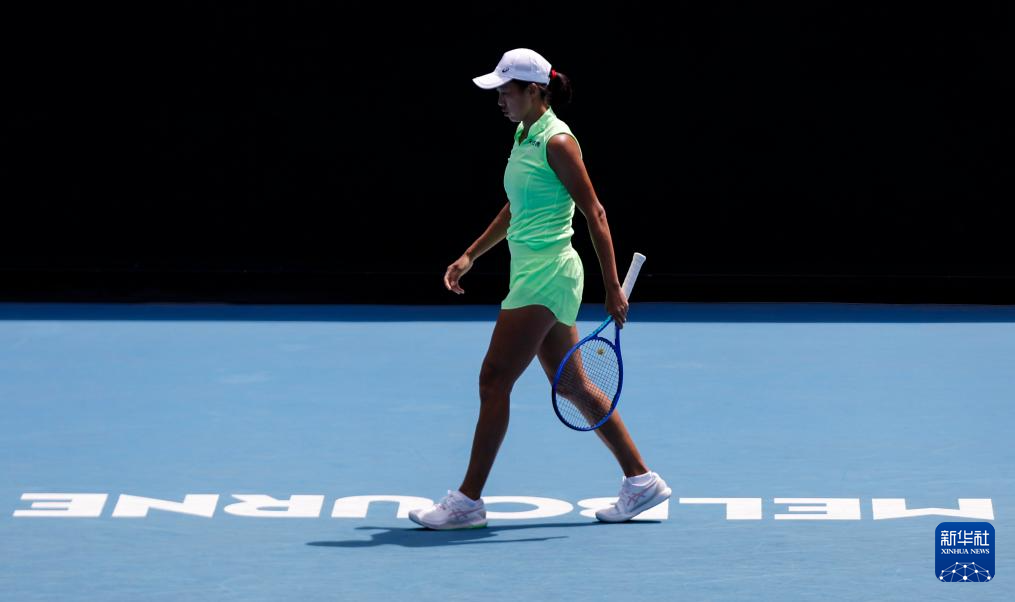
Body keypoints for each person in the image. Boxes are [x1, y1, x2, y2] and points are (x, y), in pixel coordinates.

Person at [409, 48, 670, 530]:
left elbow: (595, 213)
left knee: (493, 379)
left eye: (505, 91)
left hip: (547, 275)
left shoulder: (557, 141)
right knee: (573, 385)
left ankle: (467, 501)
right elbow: (515, 206)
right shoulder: (523, 134)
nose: (499, 100)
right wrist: (471, 255)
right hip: (533, 272)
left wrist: (613, 287)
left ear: (533, 91)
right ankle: (641, 481)